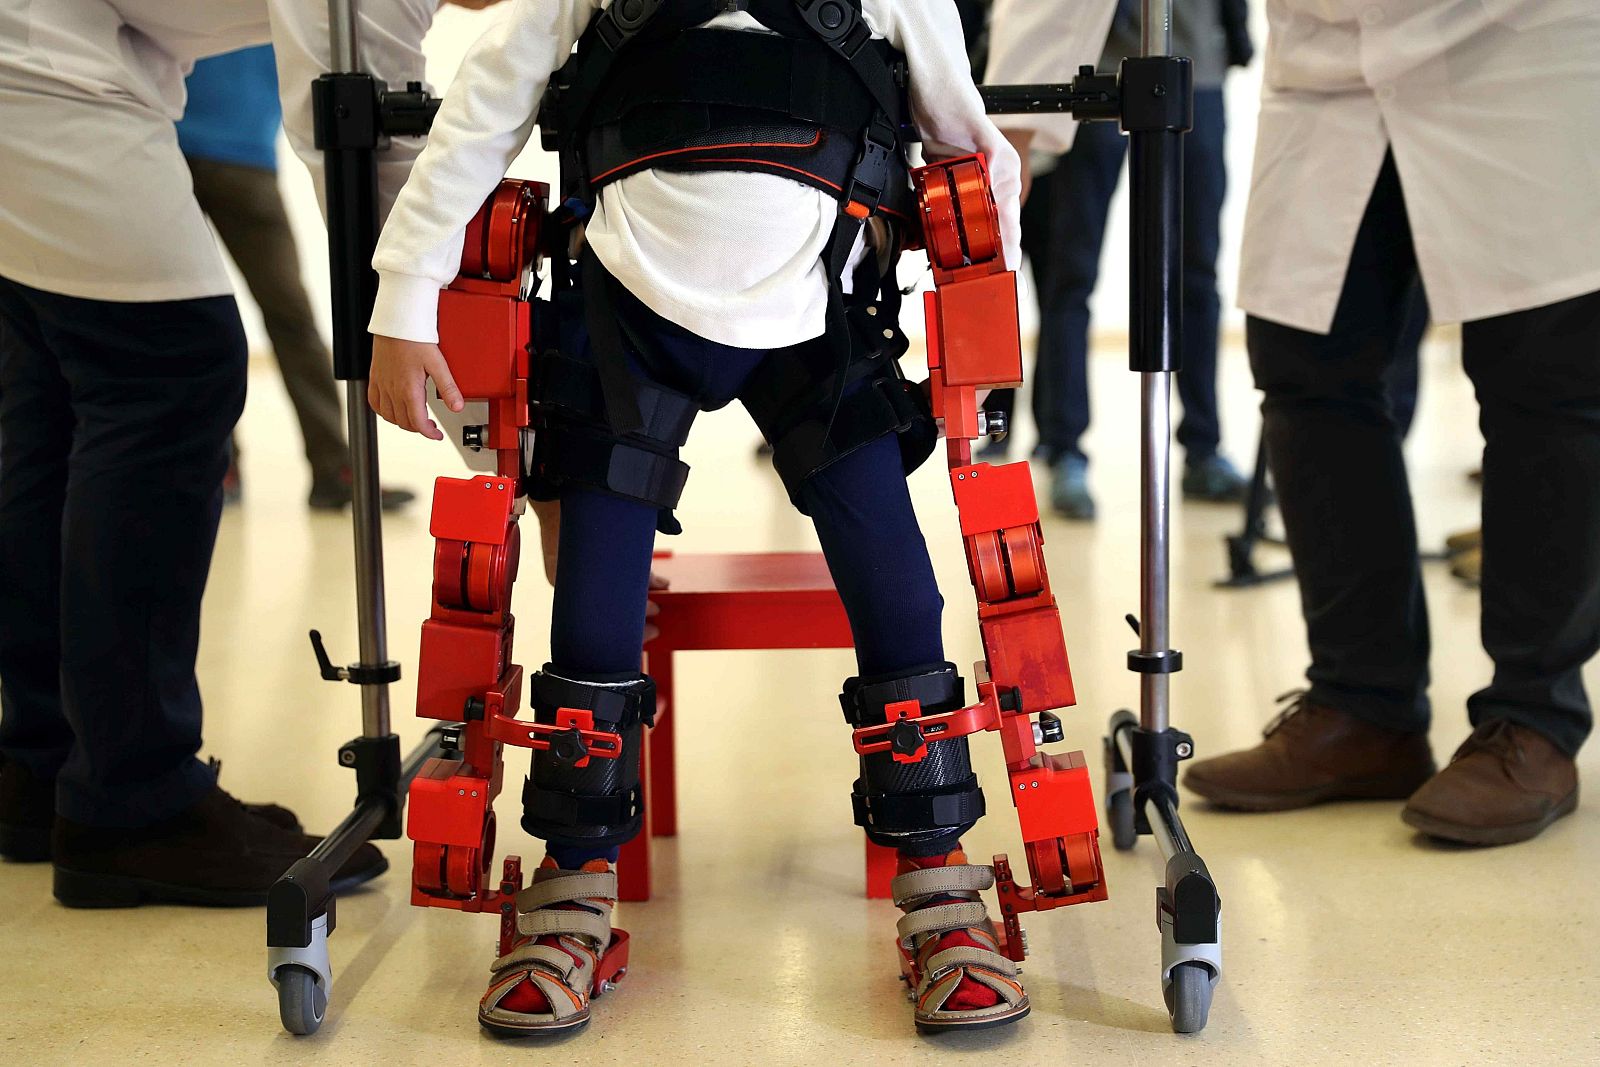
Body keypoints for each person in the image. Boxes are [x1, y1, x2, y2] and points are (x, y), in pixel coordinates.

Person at [368, 0, 1111, 1038]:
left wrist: (986, 325)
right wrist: (402, 307)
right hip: (624, 314)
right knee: (593, 598)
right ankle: (575, 883)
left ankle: (941, 887)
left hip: (822, 317)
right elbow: (480, 119)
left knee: (900, 588)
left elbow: (968, 149)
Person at [0, 0, 439, 906]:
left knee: (54, 388)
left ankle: (46, 762)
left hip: (51, 52)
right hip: (42, 66)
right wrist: (427, 326)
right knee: (169, 370)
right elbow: (357, 134)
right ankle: (134, 800)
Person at [1178, 0, 1600, 847]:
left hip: (1520, 45)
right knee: (1304, 366)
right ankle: (1364, 707)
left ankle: (1535, 719)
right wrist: (1024, 101)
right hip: (1326, 63)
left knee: (1543, 381)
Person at [986, 0, 1254, 519]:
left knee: (1198, 275)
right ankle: (1064, 447)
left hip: (1197, 72)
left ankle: (1204, 448)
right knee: (1072, 274)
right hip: (1096, 79)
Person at [176, 44, 415, 510]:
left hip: (246, 159)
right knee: (190, 319)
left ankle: (335, 469)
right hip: (163, 152)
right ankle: (217, 464)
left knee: (291, 316)